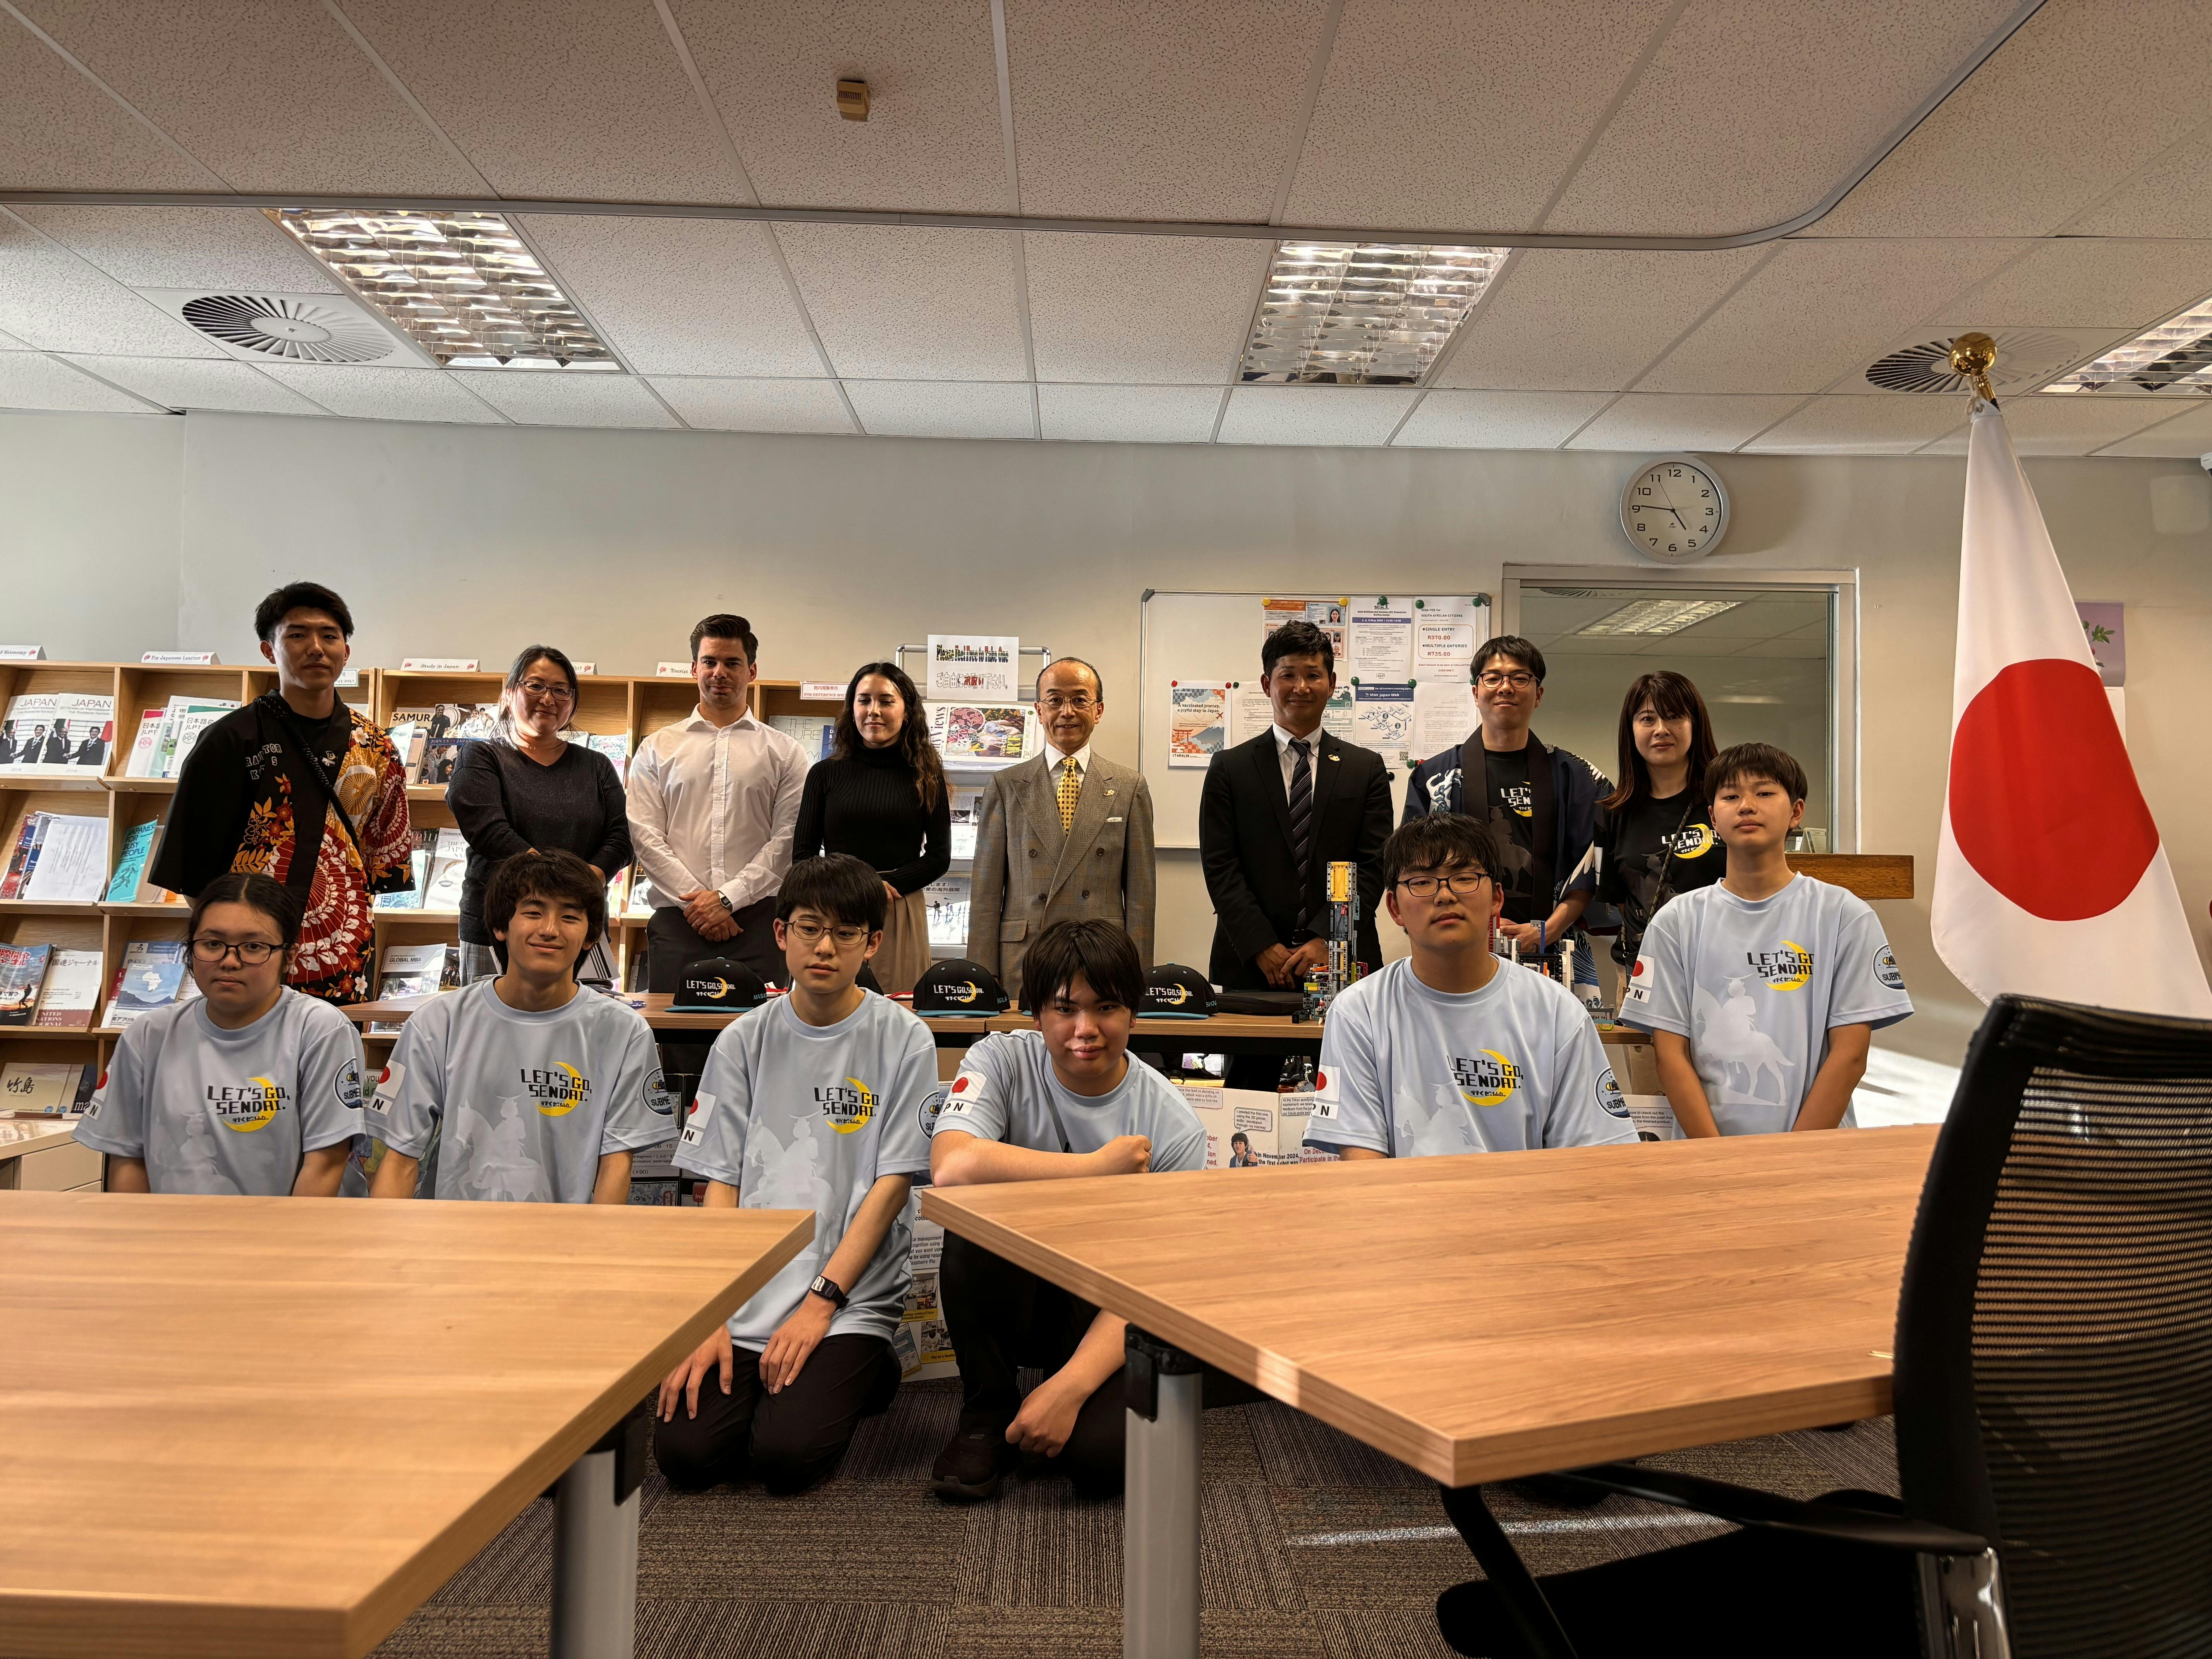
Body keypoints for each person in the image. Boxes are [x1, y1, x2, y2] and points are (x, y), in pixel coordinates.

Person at [927, 919, 1255, 1501]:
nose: (1085, 1030)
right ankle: (986, 1413)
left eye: (1106, 1008)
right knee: (974, 1215)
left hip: (1105, 1307)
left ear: (1133, 1014)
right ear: (1036, 1015)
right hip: (1011, 1291)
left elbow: (1153, 1282)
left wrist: (1070, 1390)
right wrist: (1096, 1168)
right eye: (1064, 1009)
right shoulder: (999, 1060)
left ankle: (1055, 1392)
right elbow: (951, 1166)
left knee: (1100, 1463)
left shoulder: (1172, 1123)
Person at [656, 854, 935, 1496]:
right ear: (781, 933)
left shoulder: (905, 1038)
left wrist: (821, 1303)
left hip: (846, 1296)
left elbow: (892, 1186)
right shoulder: (741, 1040)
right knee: (686, 1457)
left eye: (845, 932)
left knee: (786, 1457)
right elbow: (720, 1183)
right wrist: (709, 1313)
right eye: (810, 928)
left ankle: (870, 1364)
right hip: (750, 1288)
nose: (825, 947)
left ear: (872, 942)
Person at [1622, 743, 1913, 1137]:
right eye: (1730, 796)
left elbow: (1850, 1055)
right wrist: (1717, 1156)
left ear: (1796, 812)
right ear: (1713, 818)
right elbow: (1671, 1056)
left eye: (1764, 793)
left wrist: (1791, 1158)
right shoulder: (1675, 922)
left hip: (1815, 1151)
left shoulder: (1844, 915)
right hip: (1706, 1154)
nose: (1746, 806)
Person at [1305, 815, 1637, 1159]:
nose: (1445, 895)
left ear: (1496, 898)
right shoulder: (1359, 1012)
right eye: (1422, 882)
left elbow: (1594, 1156)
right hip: (1404, 1196)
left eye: (1464, 878)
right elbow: (1363, 1165)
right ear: (1395, 908)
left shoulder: (1557, 1012)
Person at [149, 581, 413, 1003]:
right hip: (247, 957)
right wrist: (238, 939)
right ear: (269, 651)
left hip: (343, 957)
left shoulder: (377, 746)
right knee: (243, 1045)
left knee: (334, 1046)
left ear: (346, 652)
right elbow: (191, 870)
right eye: (297, 635)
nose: (316, 648)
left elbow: (382, 861)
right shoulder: (229, 740)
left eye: (330, 636)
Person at [367, 850, 664, 1202]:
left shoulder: (624, 1033)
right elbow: (399, 1158)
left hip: (568, 1235)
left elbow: (617, 1166)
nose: (550, 930)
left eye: (570, 917)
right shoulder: (437, 1023)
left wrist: (592, 1239)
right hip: (452, 1233)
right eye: (533, 913)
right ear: (500, 927)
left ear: (590, 937)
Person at [76, 872, 366, 1195]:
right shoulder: (148, 1035)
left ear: (289, 957)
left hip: (287, 1225)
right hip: (171, 1226)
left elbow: (326, 1163)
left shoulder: (320, 1030)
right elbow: (128, 1159)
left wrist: (281, 1232)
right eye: (213, 944)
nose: (230, 961)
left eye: (253, 947)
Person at [1199, 620, 1391, 1085]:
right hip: (1252, 967)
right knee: (1250, 1096)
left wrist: (1328, 939)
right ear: (1268, 683)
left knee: (1347, 1091)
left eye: (1313, 675)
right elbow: (1221, 866)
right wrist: (1261, 945)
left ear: (1332, 684)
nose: (1300, 687)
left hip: (1341, 961)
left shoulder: (1365, 768)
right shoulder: (1230, 767)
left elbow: (1372, 865)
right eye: (1288, 675)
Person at [1404, 635, 1609, 993]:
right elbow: (1414, 872)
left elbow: (1592, 866)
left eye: (1520, 678)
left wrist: (1546, 930)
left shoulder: (1576, 777)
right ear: (1476, 692)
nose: (1506, 687)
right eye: (1493, 678)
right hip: (1458, 947)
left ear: (1539, 694)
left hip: (1555, 948)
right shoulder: (1434, 778)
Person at [628, 613, 809, 1000]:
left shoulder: (786, 752)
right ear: (694, 668)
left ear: (752, 671)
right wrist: (701, 904)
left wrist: (728, 899)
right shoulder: (657, 748)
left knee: (759, 1033)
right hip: (679, 921)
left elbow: (788, 838)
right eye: (709, 662)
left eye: (732, 663)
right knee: (676, 1033)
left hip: (760, 922)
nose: (719, 673)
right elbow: (645, 836)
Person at [965, 657, 1156, 992]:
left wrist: (1139, 974)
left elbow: (1142, 895)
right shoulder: (1006, 786)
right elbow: (986, 891)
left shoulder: (1130, 787)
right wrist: (983, 972)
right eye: (1055, 700)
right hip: (1026, 955)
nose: (1067, 712)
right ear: (1039, 711)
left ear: (1098, 710)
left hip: (1104, 955)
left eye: (1080, 700)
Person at [446, 645, 631, 984]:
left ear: (572, 702)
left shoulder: (597, 766)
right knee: (492, 1018)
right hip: (496, 927)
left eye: (561, 690)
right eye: (536, 686)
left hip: (579, 927)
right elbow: (490, 832)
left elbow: (622, 838)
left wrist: (581, 887)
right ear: (509, 693)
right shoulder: (481, 757)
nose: (548, 699)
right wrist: (561, 887)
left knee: (585, 1017)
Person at [792, 661, 950, 995]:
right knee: (828, 1006)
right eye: (864, 700)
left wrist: (886, 886)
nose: (873, 711)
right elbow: (803, 857)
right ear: (852, 709)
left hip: (898, 907)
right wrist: (853, 887)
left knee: (897, 1009)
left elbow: (939, 856)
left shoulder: (926, 775)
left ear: (907, 711)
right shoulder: (824, 774)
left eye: (886, 701)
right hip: (833, 908)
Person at [1593, 670, 1724, 970]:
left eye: (1674, 717)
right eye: (1648, 719)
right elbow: (1623, 901)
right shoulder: (1613, 813)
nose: (1662, 730)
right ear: (1631, 729)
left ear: (1695, 724)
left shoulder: (1725, 799)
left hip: (1725, 966)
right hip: (1645, 971)